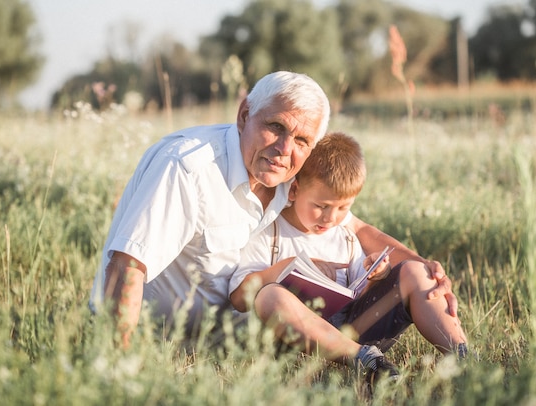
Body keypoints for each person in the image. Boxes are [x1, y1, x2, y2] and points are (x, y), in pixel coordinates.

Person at [89, 70, 457, 351]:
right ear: (244, 114)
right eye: (275, 126)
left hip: (238, 344)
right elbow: (127, 267)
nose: (284, 147)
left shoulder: (290, 175)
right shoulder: (188, 168)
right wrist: (117, 364)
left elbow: (356, 226)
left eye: (301, 140)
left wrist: (426, 268)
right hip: (160, 342)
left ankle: (458, 357)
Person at [229, 132, 468, 382]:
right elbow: (238, 299)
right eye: (321, 206)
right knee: (269, 296)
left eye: (343, 208)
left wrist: (378, 276)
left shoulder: (345, 237)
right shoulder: (270, 233)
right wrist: (283, 270)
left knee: (417, 270)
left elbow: (360, 295)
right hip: (293, 341)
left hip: (352, 330)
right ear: (294, 190)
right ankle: (368, 362)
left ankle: (463, 356)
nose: (331, 218)